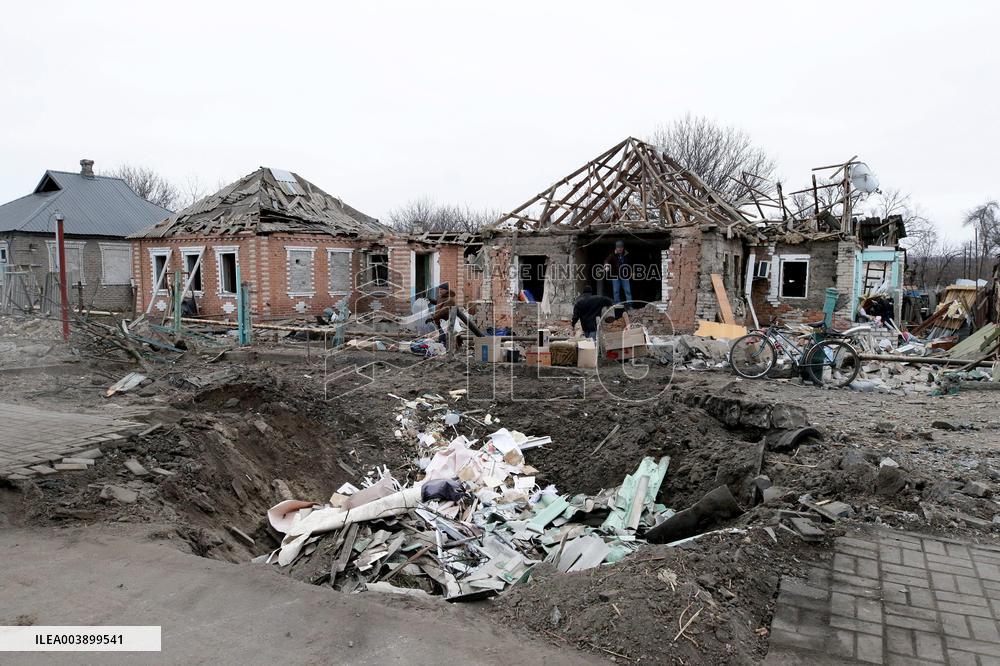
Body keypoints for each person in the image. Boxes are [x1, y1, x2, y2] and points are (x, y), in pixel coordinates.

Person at [604, 240, 632, 306]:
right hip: (615, 276)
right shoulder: (613, 255)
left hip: (625, 276)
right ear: (616, 248)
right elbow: (606, 260)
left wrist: (632, 272)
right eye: (618, 248)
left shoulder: (626, 254)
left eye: (621, 248)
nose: (620, 249)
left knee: (628, 291)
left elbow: (630, 263)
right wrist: (606, 266)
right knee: (616, 292)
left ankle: (630, 305)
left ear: (623, 248)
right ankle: (618, 305)